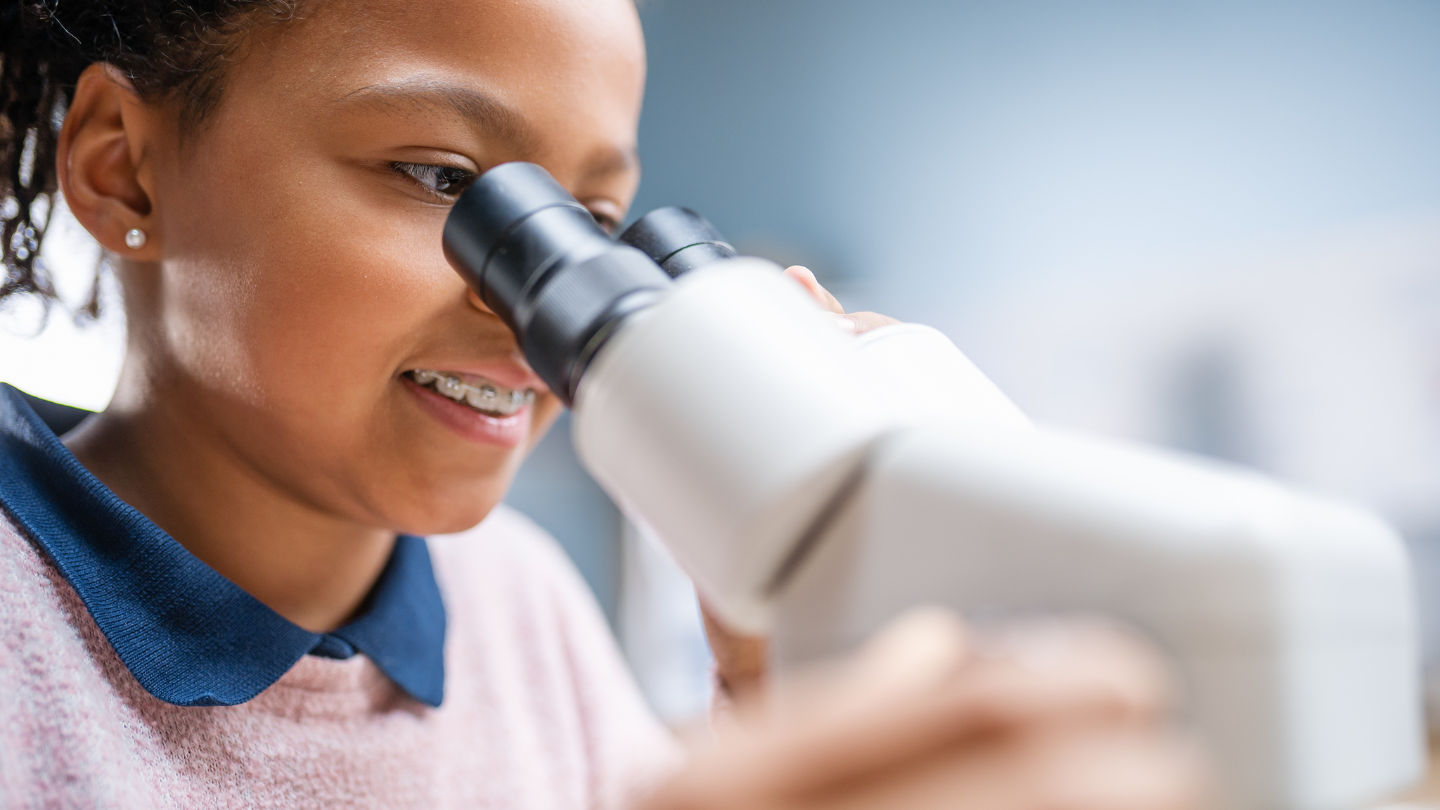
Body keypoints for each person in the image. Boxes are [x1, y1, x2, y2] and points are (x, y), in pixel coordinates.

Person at [0, 0, 1202, 807]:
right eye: (442, 178)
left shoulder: (521, 606)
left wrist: (794, 694)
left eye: (599, 227)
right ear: (124, 166)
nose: (535, 305)